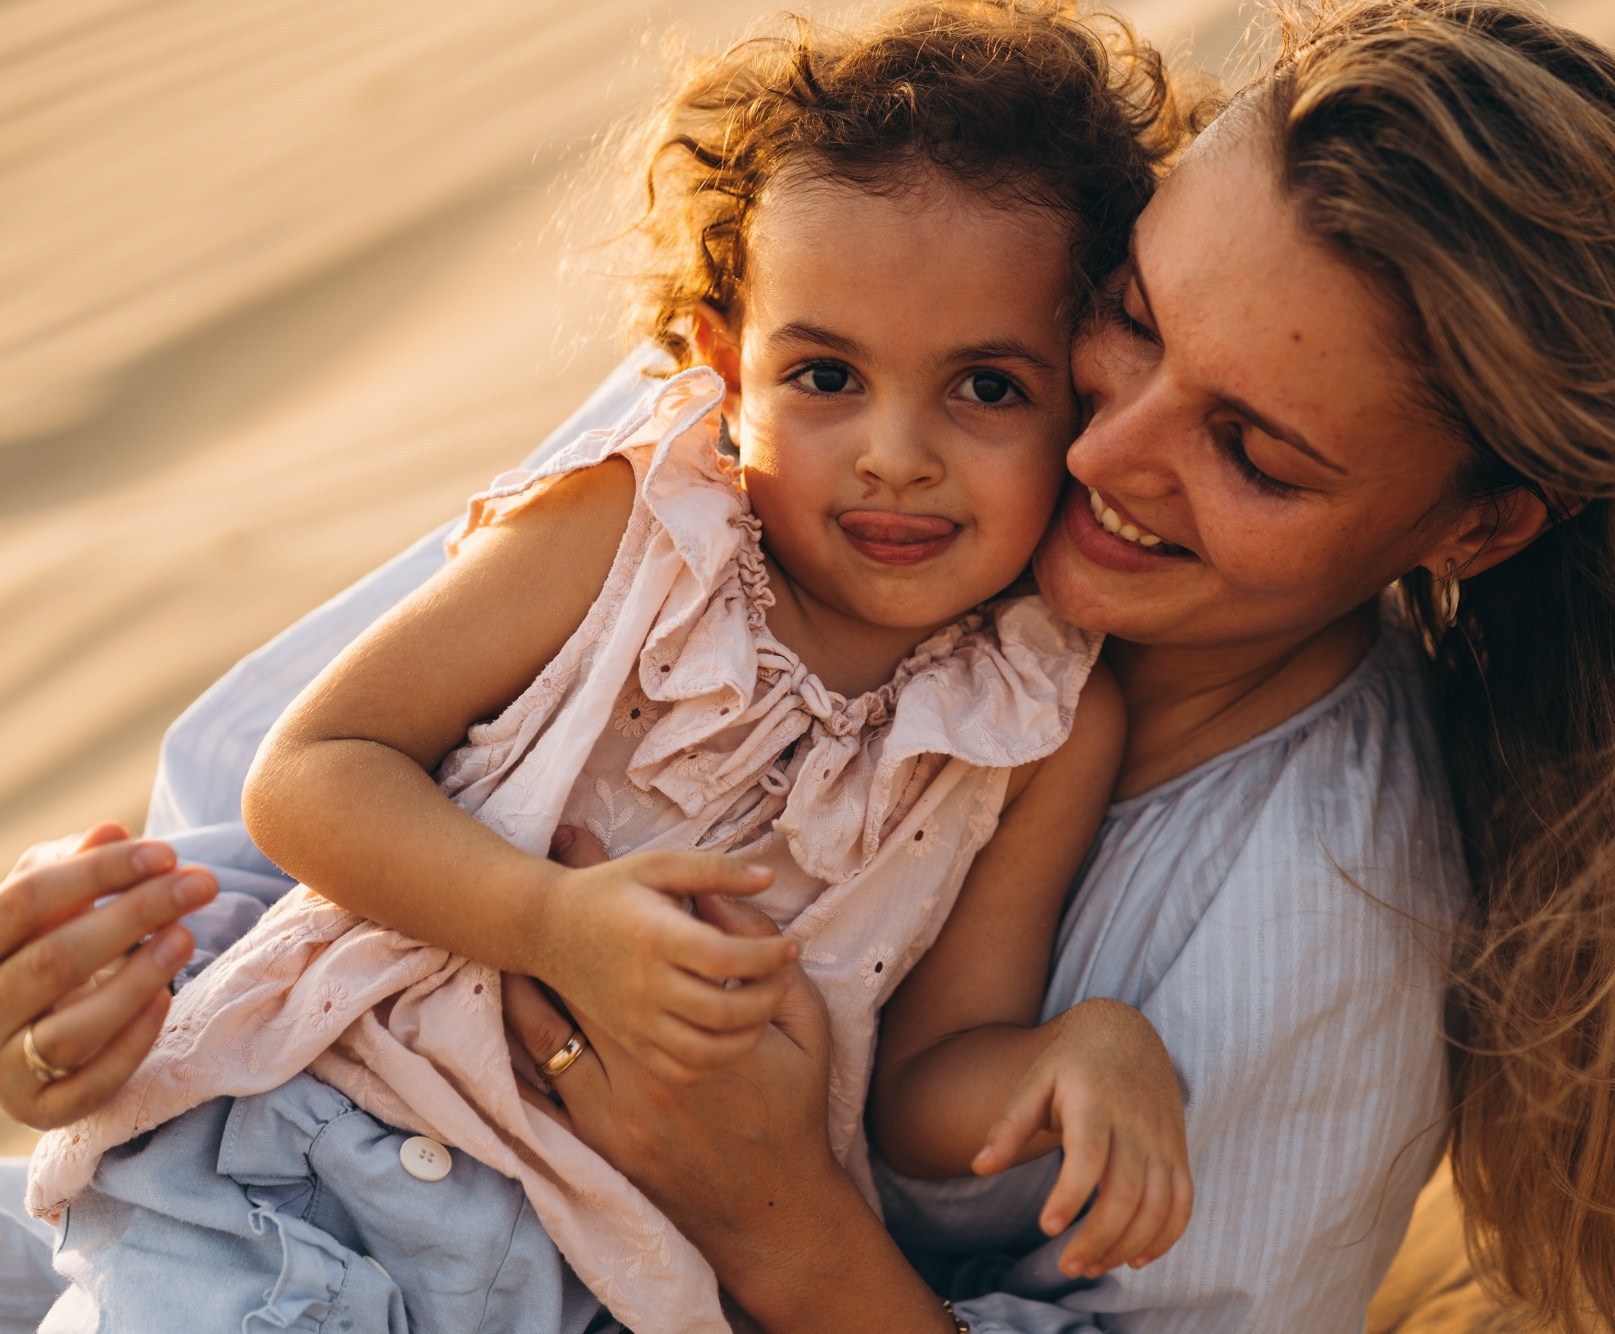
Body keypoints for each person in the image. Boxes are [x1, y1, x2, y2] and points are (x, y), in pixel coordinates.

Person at [0, 1, 1615, 1330]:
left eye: (1251, 448)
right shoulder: (789, 427)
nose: (1094, 446)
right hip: (231, 1179)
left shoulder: (1315, 916)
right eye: (1128, 321)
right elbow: (286, 803)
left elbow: (930, 1078)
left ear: (1473, 527)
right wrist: (86, 986)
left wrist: (785, 1215)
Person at [16, 6, 1204, 1331]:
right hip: (309, 1159)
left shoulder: (1040, 722)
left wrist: (1082, 1050)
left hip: (604, 1277)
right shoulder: (631, 529)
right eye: (824, 373)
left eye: (986, 387)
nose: (894, 451)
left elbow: (925, 1078)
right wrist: (551, 926)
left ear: (1084, 399)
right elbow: (308, 776)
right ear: (722, 365)